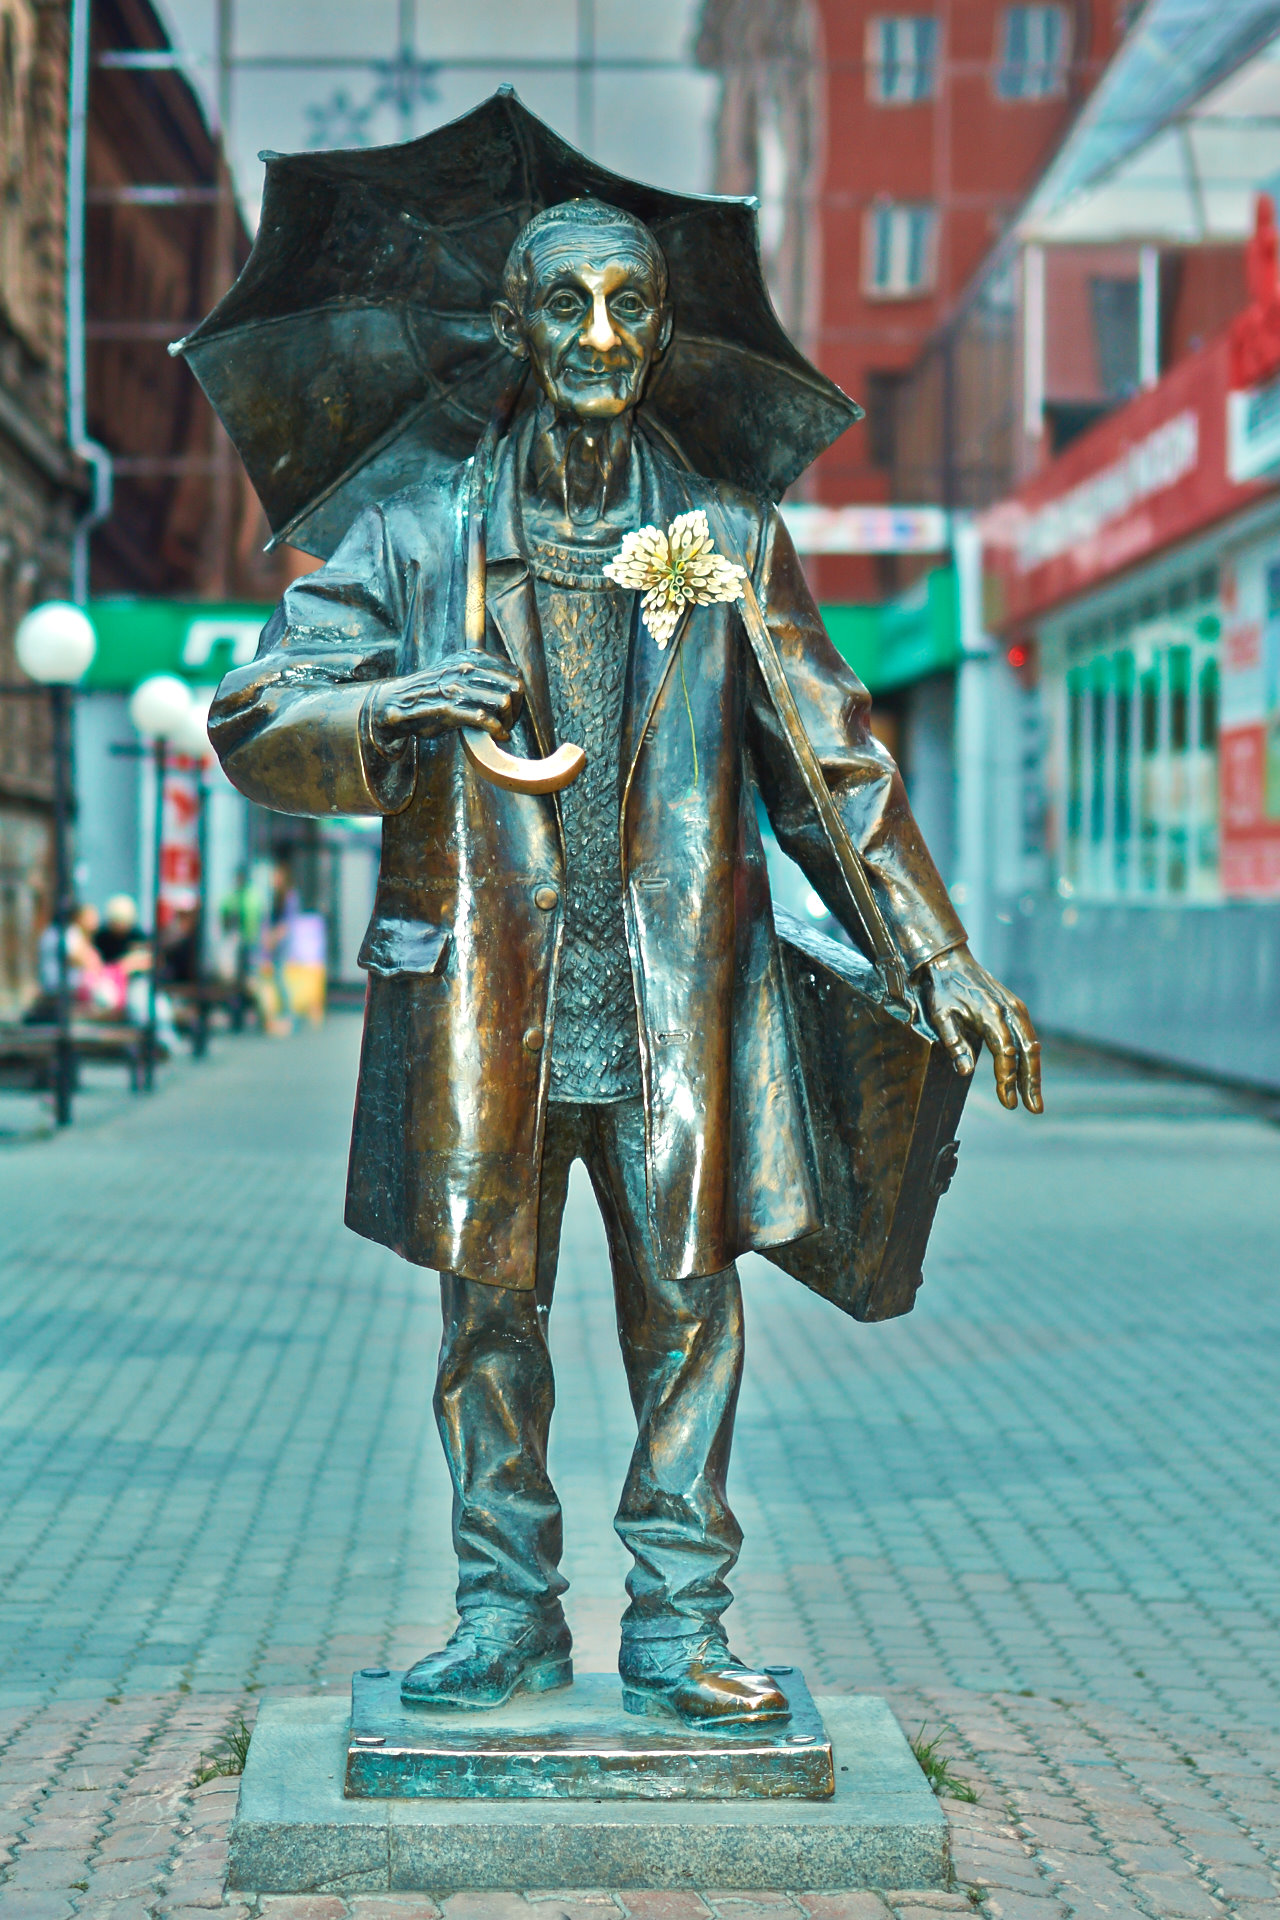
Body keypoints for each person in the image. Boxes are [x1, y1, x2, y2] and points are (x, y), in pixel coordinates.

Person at [208, 199, 1040, 1728]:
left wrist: (938, 957)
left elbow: (833, 770)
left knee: (691, 1316)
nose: (600, 336)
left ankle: (678, 1623)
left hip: (676, 1003)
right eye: (567, 304)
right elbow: (256, 714)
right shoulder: (418, 536)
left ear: (660, 332)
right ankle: (505, 1613)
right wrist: (393, 705)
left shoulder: (725, 540)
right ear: (514, 329)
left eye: (630, 305)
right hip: (489, 1002)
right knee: (487, 1326)